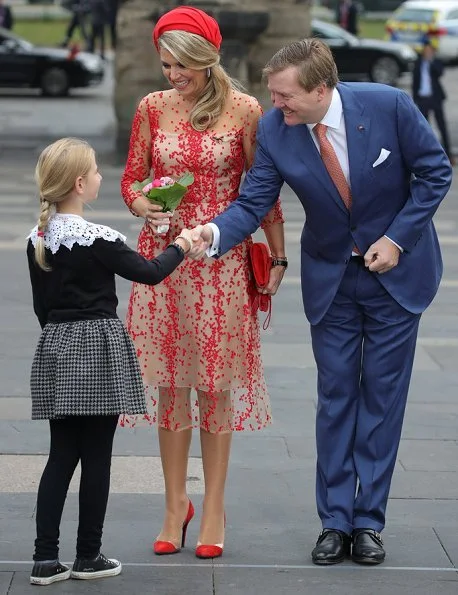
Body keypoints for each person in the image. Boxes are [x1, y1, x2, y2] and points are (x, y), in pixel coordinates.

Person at [191, 38, 452, 565]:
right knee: (335, 399)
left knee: (381, 401)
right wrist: (211, 235)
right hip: (331, 280)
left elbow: (436, 173)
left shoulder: (388, 106)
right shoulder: (274, 130)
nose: (275, 104)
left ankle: (368, 522)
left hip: (396, 278)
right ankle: (334, 522)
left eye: (284, 96)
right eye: (272, 94)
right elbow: (253, 201)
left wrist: (397, 238)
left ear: (320, 88)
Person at [120, 5, 285, 559]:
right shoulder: (150, 107)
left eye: (180, 66)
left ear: (206, 58)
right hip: (163, 261)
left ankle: (213, 506)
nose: (172, 76)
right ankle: (174, 504)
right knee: (170, 383)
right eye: (165, 65)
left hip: (220, 261)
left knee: (214, 386)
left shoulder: (244, 110)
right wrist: (147, 207)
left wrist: (278, 258)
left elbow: (263, 189)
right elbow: (131, 180)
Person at [27, 137, 195, 586]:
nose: (103, 176)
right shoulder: (97, 239)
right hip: (98, 349)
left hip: (57, 349)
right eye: (98, 171)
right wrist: (180, 244)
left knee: (60, 455)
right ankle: (88, 556)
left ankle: (45, 559)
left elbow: (41, 307)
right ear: (81, 184)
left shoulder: (38, 238)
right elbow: (150, 272)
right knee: (97, 456)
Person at [413, 40, 454, 165]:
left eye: (430, 51)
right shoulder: (418, 63)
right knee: (424, 128)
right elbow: (415, 81)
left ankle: (449, 154)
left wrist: (430, 62)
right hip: (423, 99)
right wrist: (415, 99)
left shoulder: (435, 62)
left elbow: (440, 73)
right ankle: (425, 154)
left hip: (435, 98)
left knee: (442, 126)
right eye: (426, 50)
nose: (428, 52)